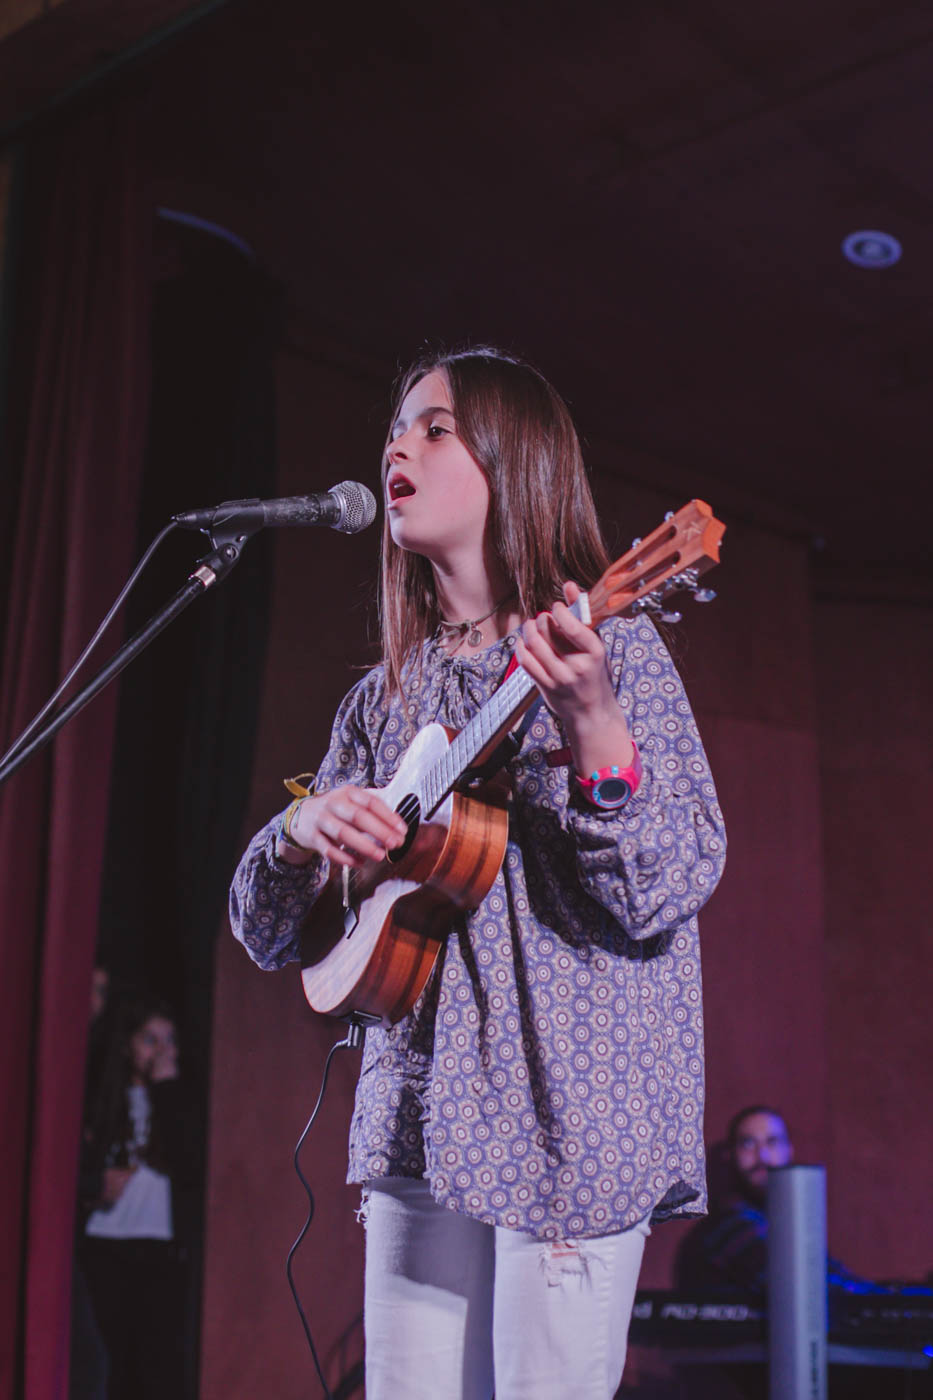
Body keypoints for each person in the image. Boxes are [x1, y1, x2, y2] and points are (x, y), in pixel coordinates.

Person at [230, 346, 727, 1399]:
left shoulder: (616, 648)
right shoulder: (382, 700)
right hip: (418, 1111)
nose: (397, 447)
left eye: (435, 428)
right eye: (394, 428)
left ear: (516, 461)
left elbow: (668, 882)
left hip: (568, 1106)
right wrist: (304, 826)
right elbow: (270, 933)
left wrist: (593, 722)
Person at [78, 996, 199, 1400]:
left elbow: (189, 1161)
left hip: (159, 1247)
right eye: (150, 1039)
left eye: (170, 1040)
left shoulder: (178, 1101)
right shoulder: (103, 1099)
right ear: (128, 1045)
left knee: (154, 1365)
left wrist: (166, 1088)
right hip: (105, 1244)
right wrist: (96, 1184)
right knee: (107, 1359)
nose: (162, 1050)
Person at [677, 1105, 882, 1296]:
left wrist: (886, 1297)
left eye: (772, 1142)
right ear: (730, 1155)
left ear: (789, 1150)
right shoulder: (731, 1223)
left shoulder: (781, 1220)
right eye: (748, 1144)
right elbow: (804, 1287)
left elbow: (829, 1274)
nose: (762, 1156)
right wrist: (881, 1302)